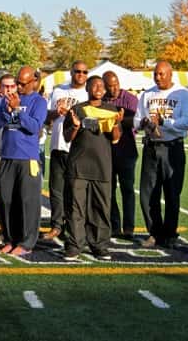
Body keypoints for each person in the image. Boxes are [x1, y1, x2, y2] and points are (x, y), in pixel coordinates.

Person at [134, 61, 188, 248]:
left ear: (170, 74)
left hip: (172, 147)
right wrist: (144, 123)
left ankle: (170, 235)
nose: (157, 77)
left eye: (161, 74)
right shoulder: (147, 94)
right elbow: (137, 120)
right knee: (148, 194)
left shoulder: (183, 94)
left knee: (172, 193)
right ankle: (154, 233)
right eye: (155, 74)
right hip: (151, 147)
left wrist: (164, 122)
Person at [62, 76, 123, 260]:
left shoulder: (111, 110)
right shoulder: (77, 109)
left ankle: (100, 245)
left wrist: (116, 123)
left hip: (102, 166)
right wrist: (75, 126)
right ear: (87, 88)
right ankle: (74, 245)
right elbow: (67, 138)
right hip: (78, 166)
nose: (98, 88)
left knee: (101, 208)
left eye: (101, 86)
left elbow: (115, 138)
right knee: (75, 208)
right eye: (94, 85)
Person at [0, 69, 47, 256]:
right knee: (6, 200)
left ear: (33, 82)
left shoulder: (39, 101)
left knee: (27, 201)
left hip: (27, 157)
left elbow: (34, 127)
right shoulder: (8, 98)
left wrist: (17, 110)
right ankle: (10, 238)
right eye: (18, 83)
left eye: (23, 84)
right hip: (7, 155)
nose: (19, 87)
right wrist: (7, 111)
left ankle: (26, 242)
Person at [43, 61, 89, 240]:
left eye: (84, 72)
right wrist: (57, 112)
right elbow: (47, 117)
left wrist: (71, 113)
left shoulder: (88, 93)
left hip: (77, 149)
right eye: (78, 71)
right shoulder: (58, 90)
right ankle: (56, 225)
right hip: (58, 146)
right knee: (56, 190)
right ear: (71, 72)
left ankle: (73, 226)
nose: (81, 75)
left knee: (75, 191)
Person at [102, 71, 138, 239]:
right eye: (110, 86)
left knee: (127, 189)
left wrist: (118, 120)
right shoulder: (102, 100)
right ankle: (115, 225)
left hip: (127, 150)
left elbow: (136, 121)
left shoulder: (130, 99)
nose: (114, 88)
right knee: (109, 190)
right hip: (108, 151)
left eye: (116, 84)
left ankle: (129, 227)